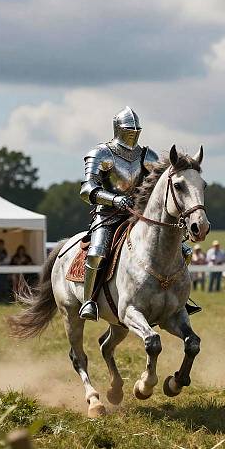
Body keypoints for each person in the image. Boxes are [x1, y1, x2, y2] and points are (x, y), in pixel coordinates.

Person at [79, 106, 199, 320]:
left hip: (139, 215)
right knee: (97, 253)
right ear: (117, 129)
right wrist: (114, 199)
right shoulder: (101, 154)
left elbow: (157, 187)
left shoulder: (147, 155)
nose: (132, 134)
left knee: (185, 252)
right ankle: (89, 301)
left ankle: (180, 299)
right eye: (128, 130)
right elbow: (86, 190)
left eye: (136, 130)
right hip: (108, 214)